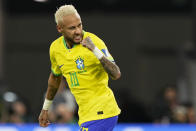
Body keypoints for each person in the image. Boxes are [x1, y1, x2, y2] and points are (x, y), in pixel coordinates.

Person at [38, 4, 121, 131]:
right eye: (72, 28)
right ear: (60, 28)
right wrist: (45, 108)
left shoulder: (94, 42)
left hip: (103, 112)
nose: (78, 31)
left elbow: (116, 74)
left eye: (79, 25)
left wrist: (95, 50)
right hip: (85, 115)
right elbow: (55, 79)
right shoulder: (55, 48)